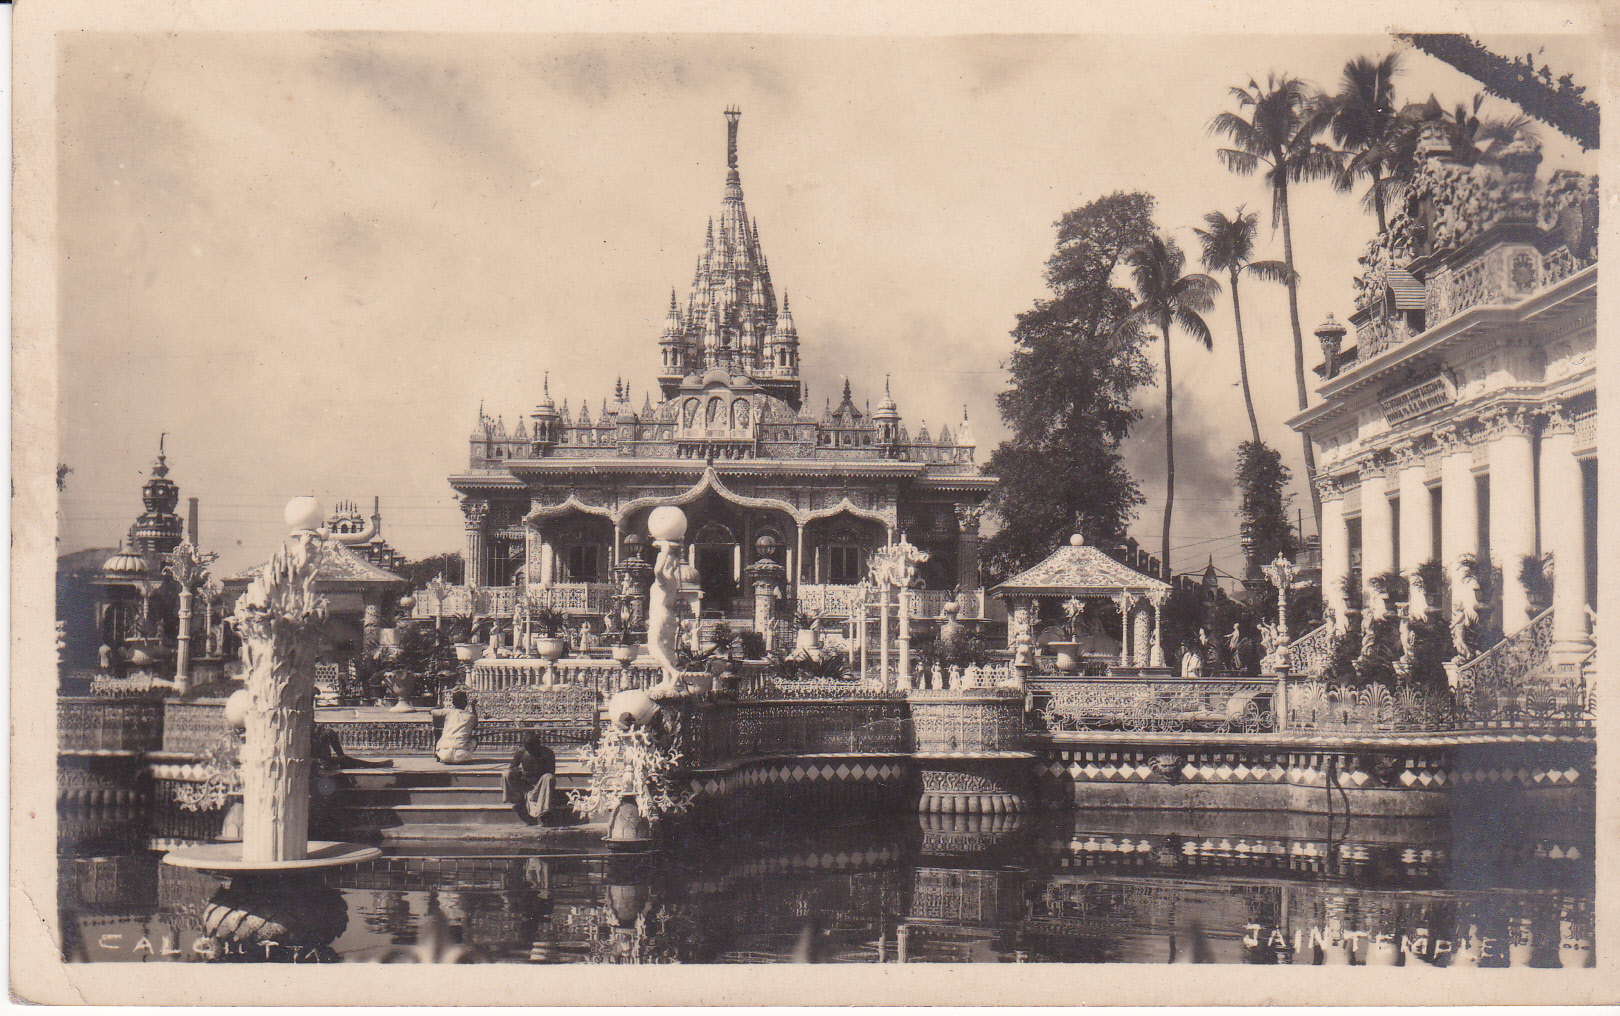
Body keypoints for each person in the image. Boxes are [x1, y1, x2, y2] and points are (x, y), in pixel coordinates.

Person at [504, 736, 556, 826]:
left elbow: (551, 771)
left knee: (549, 777)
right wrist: (516, 771)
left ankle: (544, 808)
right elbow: (512, 767)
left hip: (540, 785)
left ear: (538, 744)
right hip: (525, 785)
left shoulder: (548, 753)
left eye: (532, 746)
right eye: (527, 747)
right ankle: (515, 799)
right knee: (506, 773)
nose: (530, 749)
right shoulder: (521, 752)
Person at [431, 691, 479, 764]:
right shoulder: (470, 717)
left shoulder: (448, 712)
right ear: (465, 703)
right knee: (475, 738)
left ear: (453, 703)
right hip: (462, 755)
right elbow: (475, 722)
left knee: (441, 734)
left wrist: (438, 707)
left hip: (443, 754)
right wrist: (472, 706)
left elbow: (432, 712)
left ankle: (438, 755)